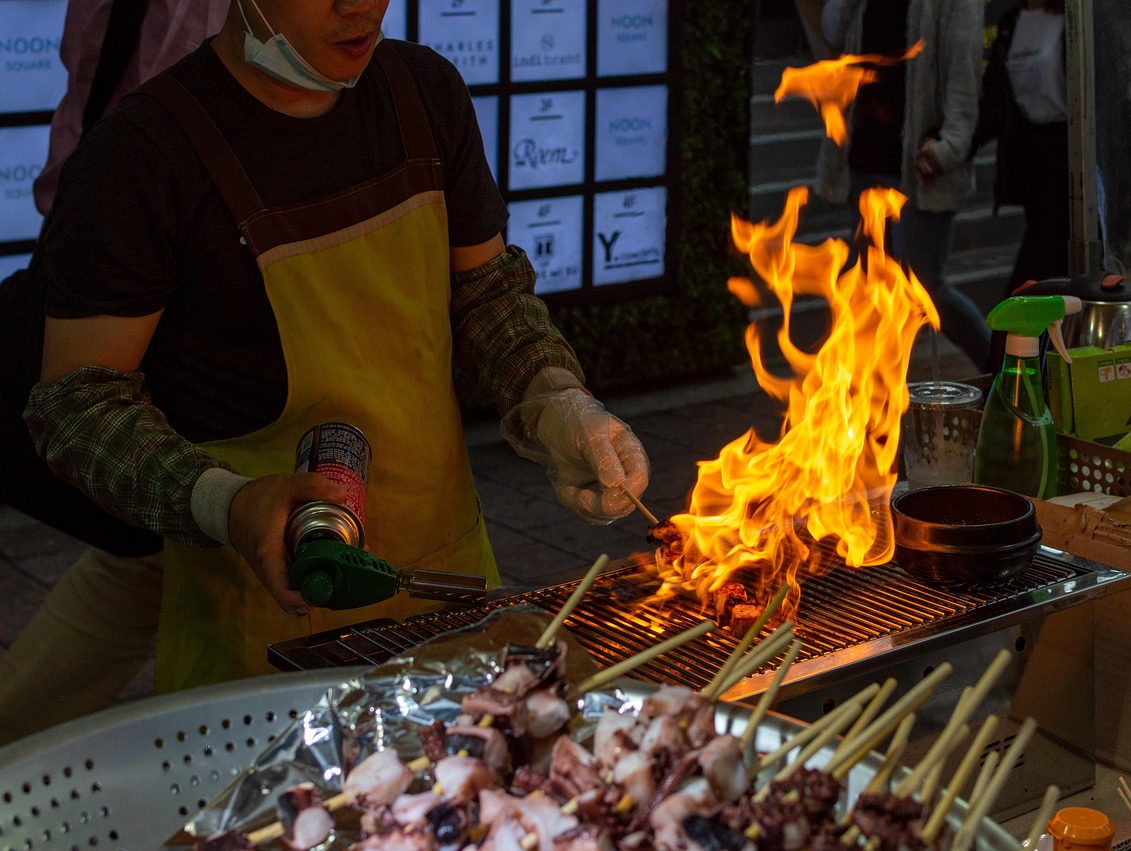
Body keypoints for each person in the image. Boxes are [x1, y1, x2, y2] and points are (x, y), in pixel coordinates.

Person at [19, 0, 650, 714]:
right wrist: (223, 501)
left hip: (453, 609)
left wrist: (557, 398)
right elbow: (76, 406)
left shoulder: (424, 93)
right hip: (262, 645)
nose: (360, 7)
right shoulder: (143, 153)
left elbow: (487, 295)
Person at [0, 0, 229, 748]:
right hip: (165, 277)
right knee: (174, 536)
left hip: (114, 250)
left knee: (148, 555)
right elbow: (166, 136)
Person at [818, 0, 991, 372]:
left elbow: (964, 76)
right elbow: (832, 30)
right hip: (867, 156)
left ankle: (1003, 369)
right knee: (868, 287)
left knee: (924, 284)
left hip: (918, 165)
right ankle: (874, 399)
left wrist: (950, 147)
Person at [970, 0, 1070, 372]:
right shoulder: (1013, 21)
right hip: (1034, 170)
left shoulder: (1070, 18)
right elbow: (996, 99)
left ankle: (1012, 377)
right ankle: (1025, 377)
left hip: (1070, 169)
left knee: (1031, 286)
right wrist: (954, 148)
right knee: (1036, 285)